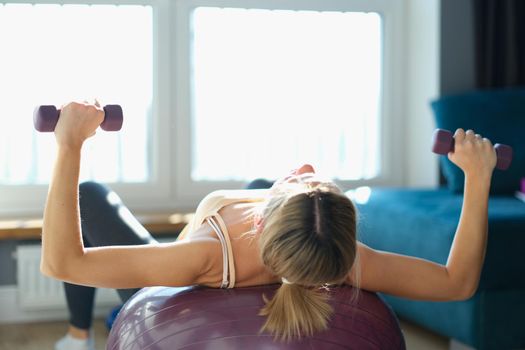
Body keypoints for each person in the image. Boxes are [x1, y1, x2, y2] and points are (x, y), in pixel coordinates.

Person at [42, 101, 496, 350]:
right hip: (265, 259)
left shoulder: (198, 257)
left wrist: (69, 145)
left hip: (174, 291)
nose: (302, 165)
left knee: (92, 196)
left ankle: (78, 338)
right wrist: (478, 178)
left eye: (301, 178)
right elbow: (457, 283)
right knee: (259, 180)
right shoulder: (346, 260)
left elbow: (62, 261)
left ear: (260, 218)